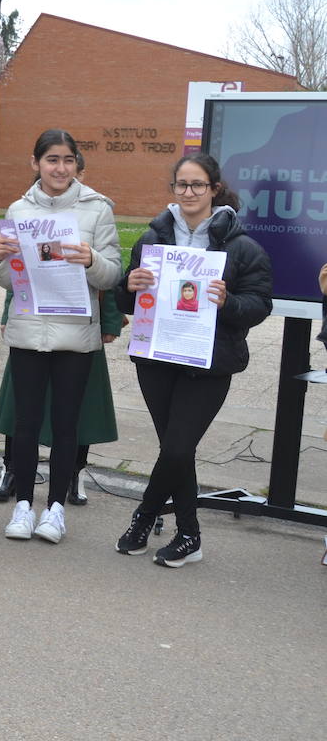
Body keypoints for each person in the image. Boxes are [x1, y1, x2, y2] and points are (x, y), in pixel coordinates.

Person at [114, 153, 272, 567]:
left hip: (209, 363)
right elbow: (126, 297)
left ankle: (144, 517)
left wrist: (228, 302)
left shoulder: (241, 246)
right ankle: (189, 536)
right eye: (181, 185)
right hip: (156, 358)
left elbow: (259, 305)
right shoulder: (152, 239)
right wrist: (128, 286)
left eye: (197, 185)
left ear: (214, 189)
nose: (188, 192)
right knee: (175, 451)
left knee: (179, 446)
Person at [0, 128, 120, 544]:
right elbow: (8, 282)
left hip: (75, 336)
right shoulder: (18, 208)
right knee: (26, 425)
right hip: (29, 331)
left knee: (67, 426)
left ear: (77, 163)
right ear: (36, 164)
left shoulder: (97, 208)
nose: (60, 168)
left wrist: (91, 259)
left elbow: (113, 272)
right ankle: (24, 506)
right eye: (51, 160)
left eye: (67, 160)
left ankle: (56, 509)